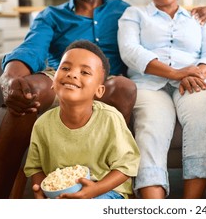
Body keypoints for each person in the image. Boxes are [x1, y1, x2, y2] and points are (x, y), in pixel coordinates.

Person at [0, 0, 137, 199]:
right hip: (59, 78)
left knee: (124, 87)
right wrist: (11, 81)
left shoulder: (124, 11)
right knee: (28, 90)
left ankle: (106, 184)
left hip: (106, 82)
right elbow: (30, 50)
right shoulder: (51, 15)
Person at [118, 0, 206, 199]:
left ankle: (190, 204)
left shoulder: (198, 18)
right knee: (150, 126)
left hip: (195, 81)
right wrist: (177, 73)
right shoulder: (134, 14)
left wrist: (195, 73)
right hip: (149, 84)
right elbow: (130, 51)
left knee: (204, 113)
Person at [24, 40, 140, 199]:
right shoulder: (42, 125)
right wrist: (42, 192)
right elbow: (36, 168)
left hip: (106, 191)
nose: (72, 74)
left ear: (99, 90)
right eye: (65, 68)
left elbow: (127, 166)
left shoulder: (110, 118)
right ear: (53, 81)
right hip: (59, 196)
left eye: (85, 72)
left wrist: (96, 190)